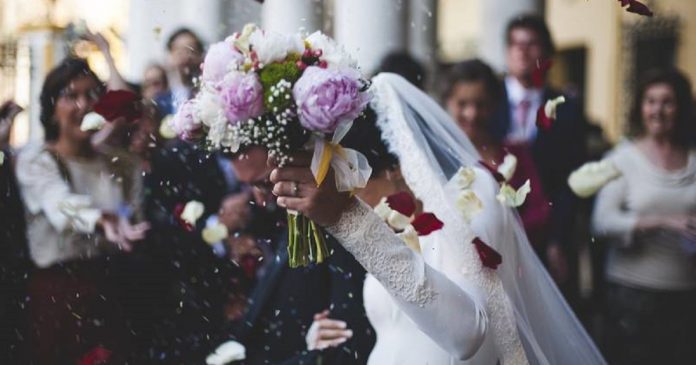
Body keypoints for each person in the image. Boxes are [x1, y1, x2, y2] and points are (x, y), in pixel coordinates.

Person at [272, 73, 606, 364]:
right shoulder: (398, 230)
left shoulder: (473, 194)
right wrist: (323, 334)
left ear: (394, 171)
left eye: (354, 189)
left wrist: (349, 219)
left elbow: (467, 334)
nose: (355, 203)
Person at [15, 57, 149, 364]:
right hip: (59, 293)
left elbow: (134, 216)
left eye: (92, 95)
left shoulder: (120, 163)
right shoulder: (38, 160)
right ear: (52, 108)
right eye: (71, 96)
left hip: (111, 286)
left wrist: (127, 227)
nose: (84, 105)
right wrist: (102, 219)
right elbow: (60, 205)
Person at [217, 146, 376, 364]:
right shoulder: (266, 215)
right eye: (248, 187)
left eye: (265, 182)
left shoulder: (334, 219)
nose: (259, 198)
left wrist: (316, 349)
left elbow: (350, 334)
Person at [591, 69, 696, 365]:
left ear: (681, 108)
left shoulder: (694, 159)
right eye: (650, 101)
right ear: (640, 107)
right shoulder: (621, 159)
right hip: (632, 297)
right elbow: (602, 222)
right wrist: (663, 222)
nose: (658, 110)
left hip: (687, 295)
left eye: (667, 102)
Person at [491, 14, 587, 290]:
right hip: (497, 230)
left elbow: (572, 179)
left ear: (545, 51)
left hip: (549, 236)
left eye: (531, 43)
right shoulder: (487, 102)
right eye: (514, 43)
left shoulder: (567, 107)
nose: (521, 50)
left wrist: (558, 239)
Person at [443, 59, 550, 249]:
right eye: (462, 104)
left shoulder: (515, 154)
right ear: (448, 102)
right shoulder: (438, 156)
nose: (472, 113)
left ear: (493, 105)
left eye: (480, 104)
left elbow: (539, 210)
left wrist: (501, 232)